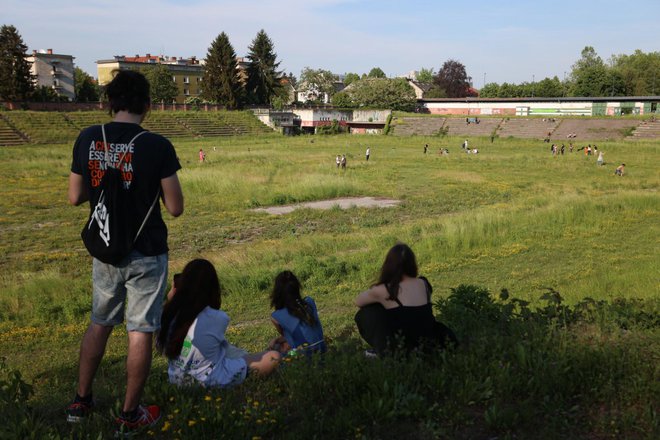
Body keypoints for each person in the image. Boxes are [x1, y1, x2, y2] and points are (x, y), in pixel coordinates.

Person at [67, 70, 184, 433]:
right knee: (140, 331)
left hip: (105, 249)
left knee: (100, 322)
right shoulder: (157, 145)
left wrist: (105, 184)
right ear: (147, 105)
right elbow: (175, 207)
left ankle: (81, 401)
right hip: (147, 251)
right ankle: (129, 415)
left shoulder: (88, 138)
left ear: (109, 103)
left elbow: (75, 196)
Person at [158, 259, 280, 388]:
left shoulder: (166, 315)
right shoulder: (217, 317)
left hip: (178, 379)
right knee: (274, 356)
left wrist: (171, 301)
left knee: (229, 350)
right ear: (212, 287)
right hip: (211, 380)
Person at [354, 243, 456, 356]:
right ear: (412, 264)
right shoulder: (423, 283)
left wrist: (378, 294)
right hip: (430, 341)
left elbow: (358, 301)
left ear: (389, 265)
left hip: (405, 347)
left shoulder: (385, 289)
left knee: (367, 312)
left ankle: (382, 349)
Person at [268, 271, 326, 355]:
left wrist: (276, 340)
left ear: (277, 293)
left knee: (274, 350)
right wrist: (277, 339)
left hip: (304, 356)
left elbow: (288, 336)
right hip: (322, 349)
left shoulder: (276, 316)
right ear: (297, 288)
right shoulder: (309, 302)